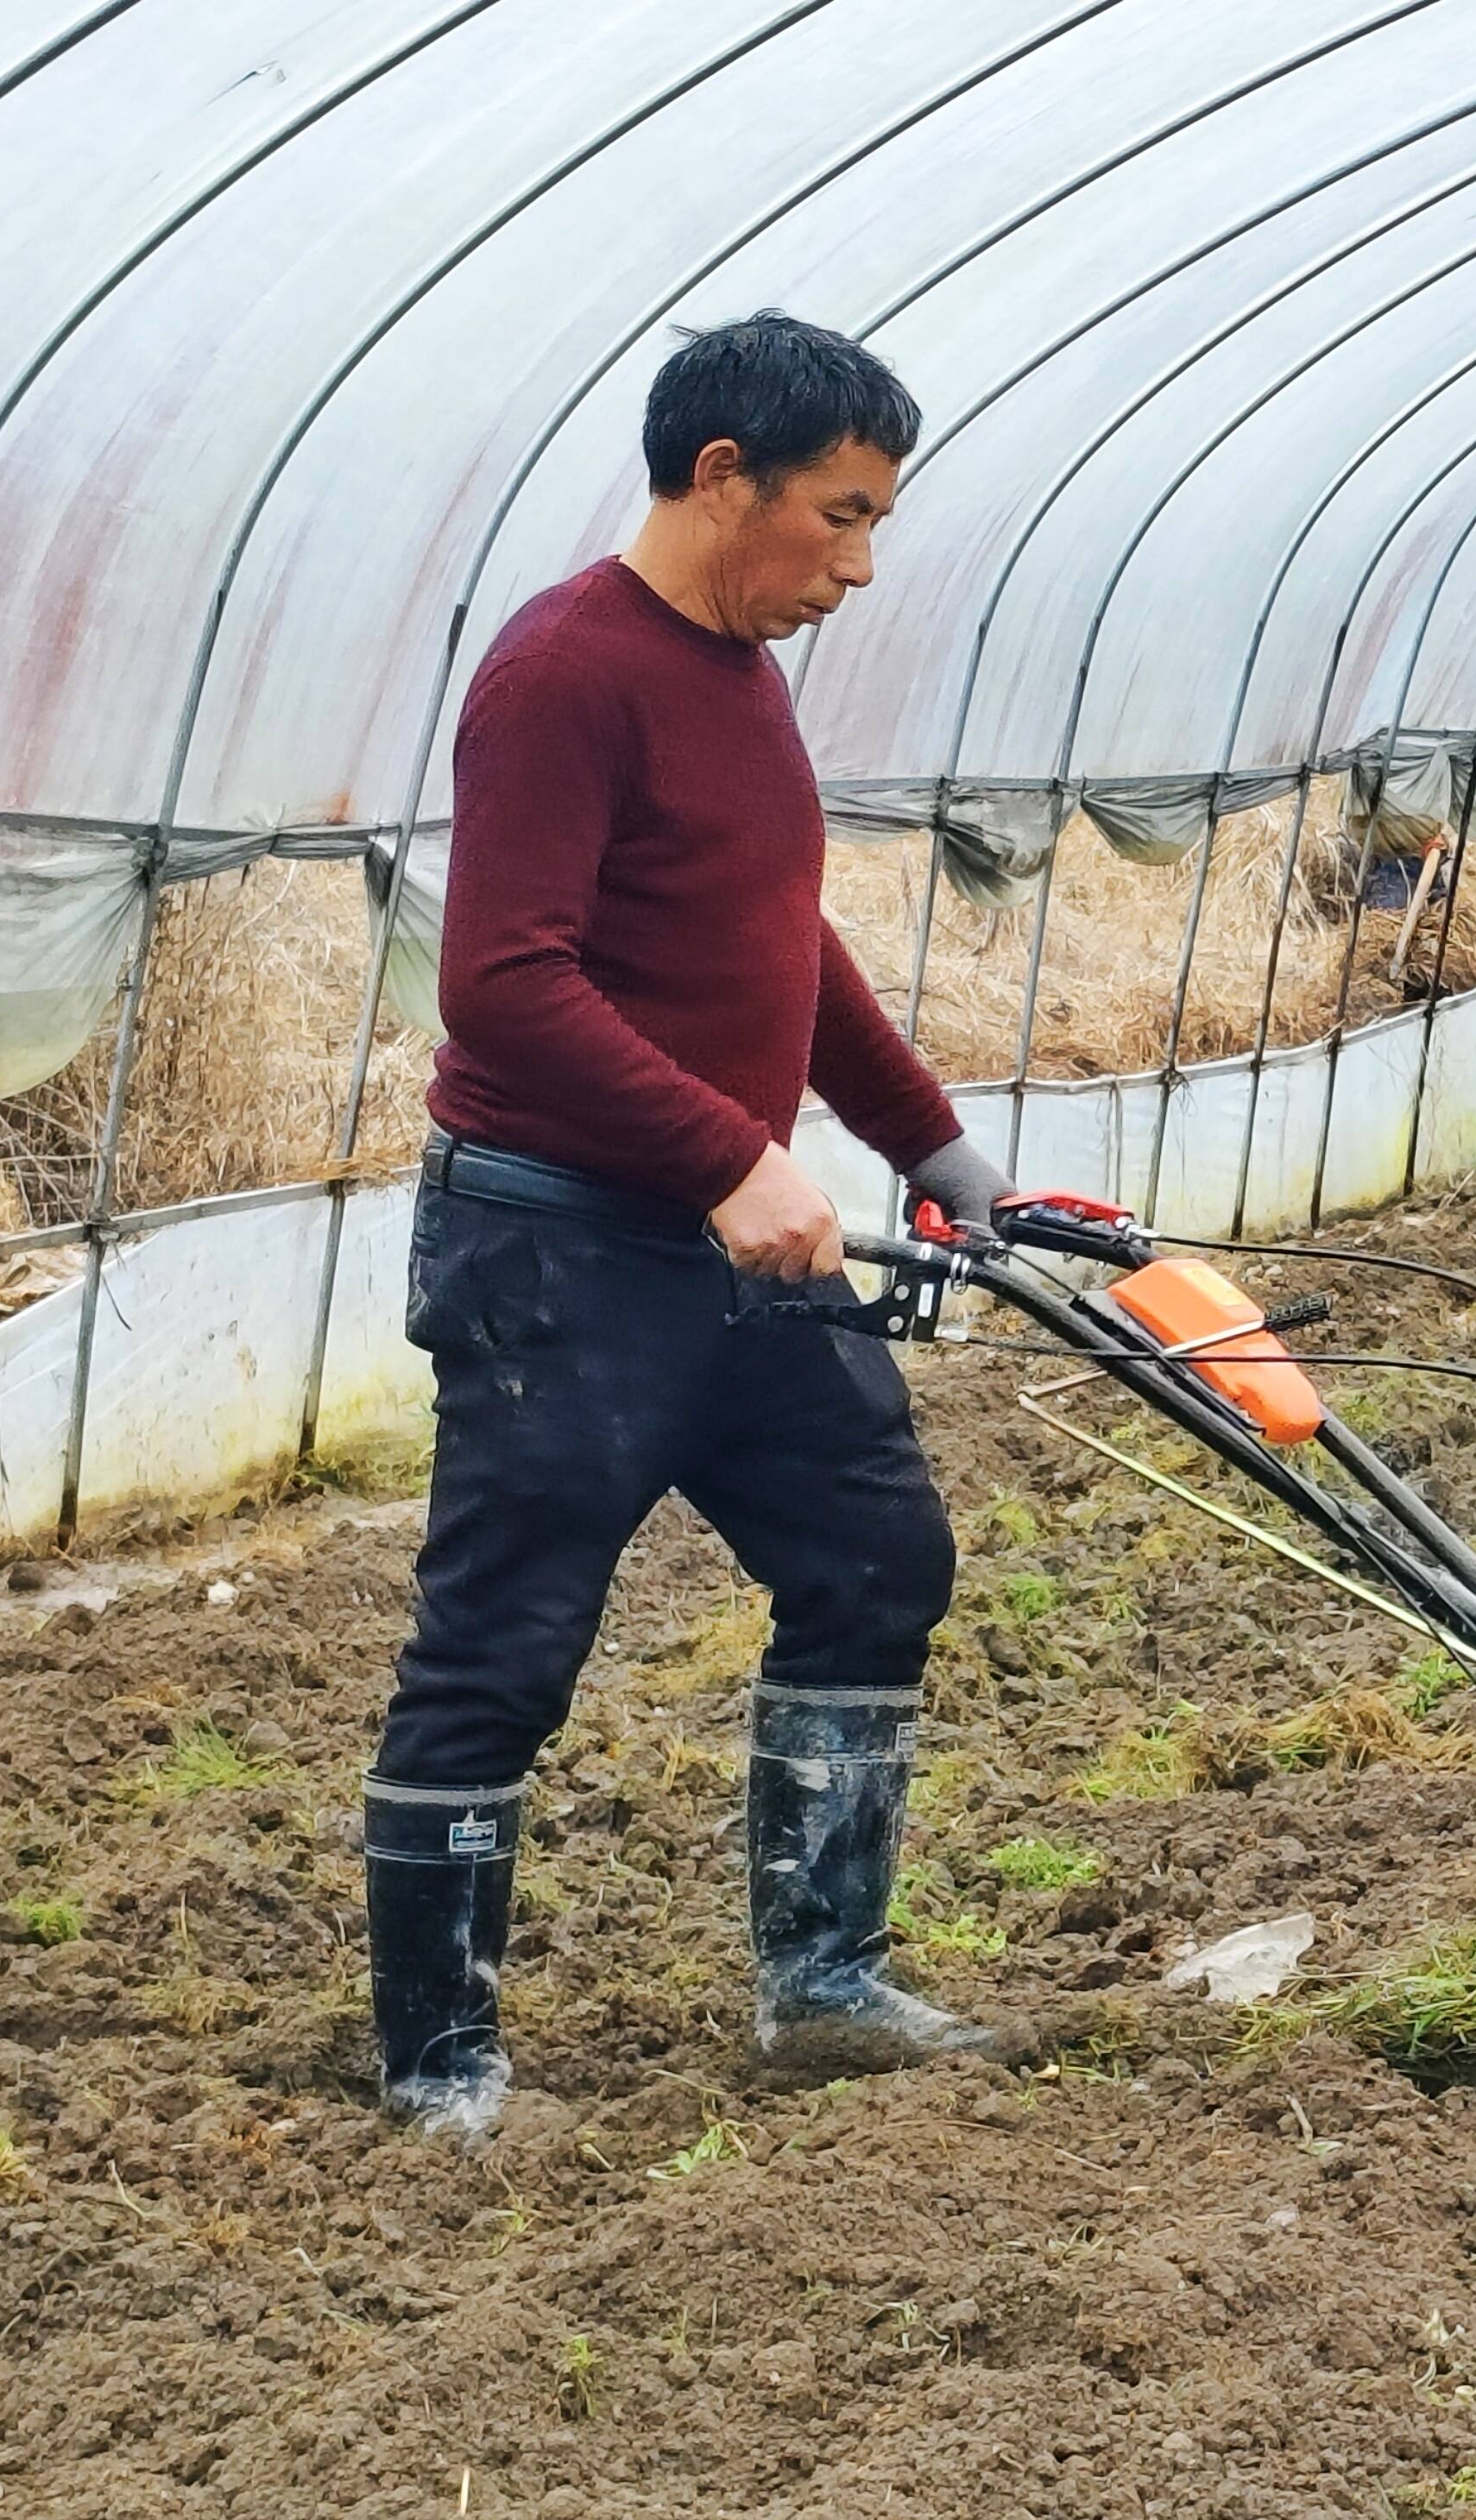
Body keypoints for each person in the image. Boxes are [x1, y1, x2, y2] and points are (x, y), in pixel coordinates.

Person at [362, 312, 1025, 2143]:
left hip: (735, 1247)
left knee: (877, 1557)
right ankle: (444, 2071)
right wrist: (737, 1158)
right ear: (721, 475)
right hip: (560, 1251)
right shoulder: (566, 670)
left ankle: (821, 1985)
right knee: (501, 1646)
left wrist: (928, 1142)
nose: (859, 565)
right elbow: (503, 983)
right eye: (840, 515)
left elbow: (773, 939)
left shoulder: (743, 673)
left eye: (877, 523)